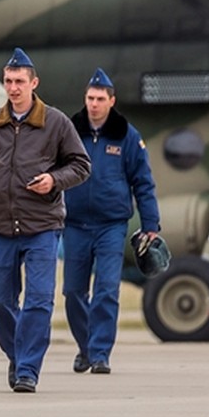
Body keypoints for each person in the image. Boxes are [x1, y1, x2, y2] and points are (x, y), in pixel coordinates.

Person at [0, 48, 90, 394]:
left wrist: (54, 180)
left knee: (39, 300)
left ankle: (28, 369)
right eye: (8, 81)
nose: (13, 88)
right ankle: (18, 353)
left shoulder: (56, 122)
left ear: (34, 83)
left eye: (19, 82)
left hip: (42, 225)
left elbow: (81, 165)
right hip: (0, 227)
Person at [63, 68, 161, 375]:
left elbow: (143, 183)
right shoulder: (69, 131)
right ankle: (86, 346)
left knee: (106, 289)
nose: (94, 104)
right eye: (90, 98)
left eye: (100, 99)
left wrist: (151, 225)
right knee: (73, 292)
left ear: (111, 101)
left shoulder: (127, 136)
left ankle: (101, 353)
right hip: (75, 224)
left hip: (111, 225)